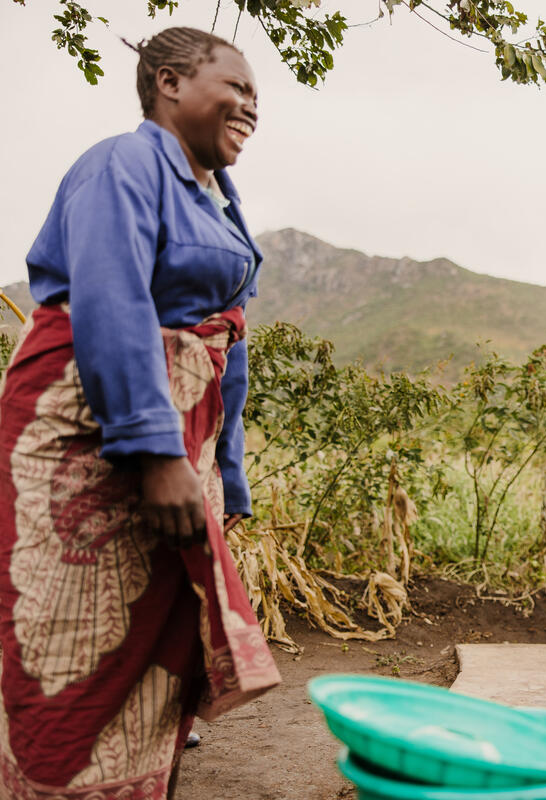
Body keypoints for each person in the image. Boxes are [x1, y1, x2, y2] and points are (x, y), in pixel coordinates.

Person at [0, 27, 280, 799]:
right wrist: (156, 455)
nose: (254, 105)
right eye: (239, 85)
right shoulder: (122, 164)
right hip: (85, 439)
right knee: (72, 644)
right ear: (167, 82)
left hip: (177, 448)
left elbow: (228, 351)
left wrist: (225, 479)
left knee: (157, 652)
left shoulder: (222, 203)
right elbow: (111, 299)